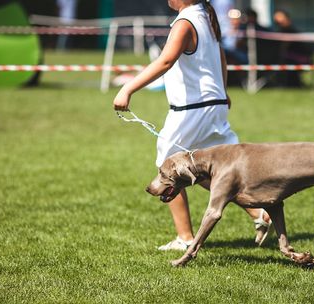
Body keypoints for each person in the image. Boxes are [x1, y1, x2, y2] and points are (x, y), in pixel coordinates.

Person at [113, 0, 271, 251]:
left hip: (191, 111)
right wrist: (223, 89)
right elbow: (219, 56)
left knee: (168, 169)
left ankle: (185, 237)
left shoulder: (186, 22)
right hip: (213, 105)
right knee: (217, 172)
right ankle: (259, 212)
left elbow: (165, 61)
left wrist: (127, 88)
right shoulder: (205, 16)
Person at [273, 9, 314, 87]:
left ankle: (286, 83)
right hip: (291, 58)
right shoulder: (281, 31)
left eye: (279, 17)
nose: (277, 19)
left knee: (283, 60)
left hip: (301, 58)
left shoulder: (290, 31)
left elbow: (283, 48)